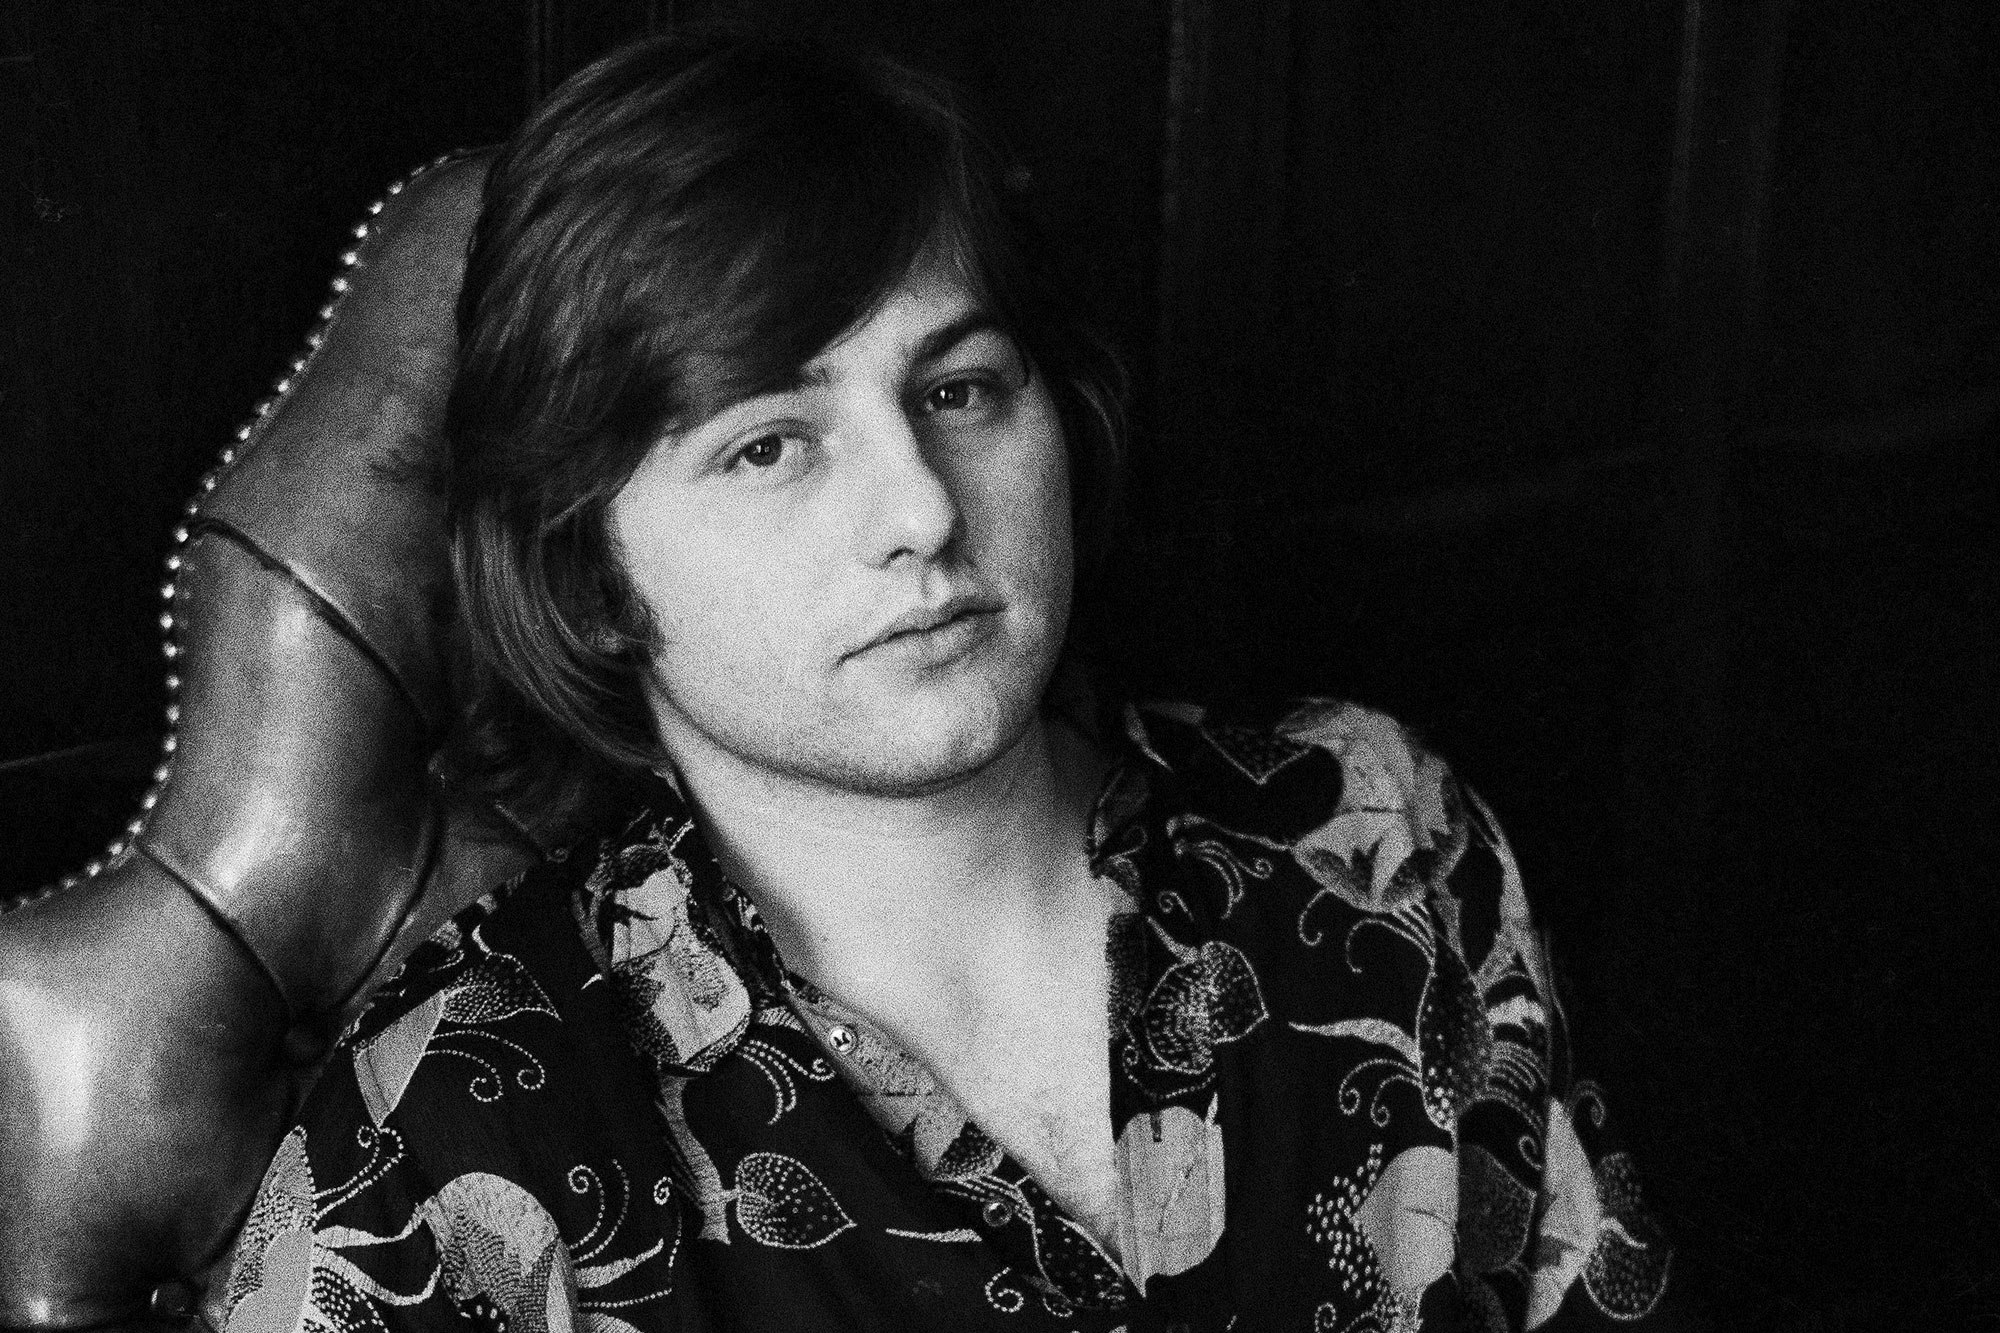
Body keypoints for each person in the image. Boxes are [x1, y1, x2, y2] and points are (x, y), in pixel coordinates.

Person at [219, 31, 1679, 1333]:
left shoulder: (1368, 833)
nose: (921, 507)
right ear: (586, 570)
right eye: (769, 445)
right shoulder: (451, 1138)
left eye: (960, 390)